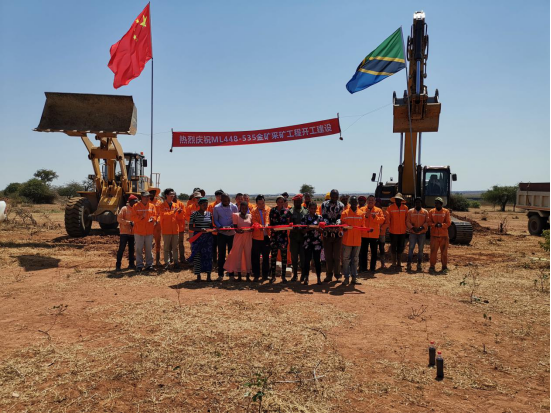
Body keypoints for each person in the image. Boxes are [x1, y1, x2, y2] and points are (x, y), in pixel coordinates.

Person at [224, 202, 253, 281]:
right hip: (238, 237)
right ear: (240, 208)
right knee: (238, 255)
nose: (244, 209)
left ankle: (248, 275)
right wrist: (239, 231)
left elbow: (252, 226)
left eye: (246, 208)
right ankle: (239, 275)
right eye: (242, 208)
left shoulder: (250, 216)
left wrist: (251, 229)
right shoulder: (236, 215)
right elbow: (235, 227)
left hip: (248, 237)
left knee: (248, 255)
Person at [188, 197, 215, 282]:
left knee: (208, 256)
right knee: (197, 256)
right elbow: (190, 227)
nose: (205, 206)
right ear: (199, 205)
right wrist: (200, 229)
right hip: (198, 238)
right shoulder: (194, 214)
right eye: (203, 205)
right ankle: (198, 276)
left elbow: (211, 226)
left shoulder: (209, 214)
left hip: (208, 238)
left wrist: (213, 229)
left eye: (206, 204)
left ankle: (208, 276)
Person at [321, 189, 345, 283]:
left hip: (337, 234)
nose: (334, 198)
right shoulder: (324, 204)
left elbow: (340, 217)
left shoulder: (341, 205)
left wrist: (336, 225)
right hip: (327, 234)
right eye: (333, 196)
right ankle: (329, 275)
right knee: (328, 256)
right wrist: (329, 226)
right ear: (330, 196)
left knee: (337, 256)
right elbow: (324, 217)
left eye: (336, 196)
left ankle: (338, 275)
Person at [213, 193, 238, 280]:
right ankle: (220, 274)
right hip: (222, 234)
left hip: (232, 234)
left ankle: (231, 274)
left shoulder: (234, 207)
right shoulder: (216, 208)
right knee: (221, 254)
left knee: (231, 254)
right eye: (224, 201)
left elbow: (236, 219)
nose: (226, 202)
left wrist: (231, 226)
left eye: (228, 200)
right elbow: (215, 220)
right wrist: (221, 227)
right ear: (221, 200)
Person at [341, 196, 365, 285]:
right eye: (352, 201)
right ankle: (346, 278)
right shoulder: (345, 213)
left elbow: (363, 226)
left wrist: (367, 229)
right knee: (346, 259)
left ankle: (354, 278)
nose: (354, 203)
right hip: (347, 240)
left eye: (355, 201)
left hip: (357, 241)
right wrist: (344, 228)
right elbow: (341, 225)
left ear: (357, 202)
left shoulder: (361, 213)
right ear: (350, 202)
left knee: (355, 259)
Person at [132, 191, 158, 272]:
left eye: (148, 197)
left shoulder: (152, 206)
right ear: (141, 197)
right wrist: (141, 217)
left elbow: (155, 216)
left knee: (148, 249)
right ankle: (139, 265)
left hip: (149, 231)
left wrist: (153, 219)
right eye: (146, 197)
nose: (147, 198)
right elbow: (133, 217)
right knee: (138, 249)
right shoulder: (136, 206)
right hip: (139, 231)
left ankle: (149, 265)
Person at [359, 195, 386, 274]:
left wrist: (375, 218)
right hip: (364, 234)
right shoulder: (362, 209)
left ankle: (372, 268)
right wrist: (366, 217)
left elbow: (382, 220)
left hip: (374, 235)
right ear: (367, 201)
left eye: (372, 200)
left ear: (375, 202)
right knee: (363, 252)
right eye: (369, 200)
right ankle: (363, 268)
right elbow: (359, 220)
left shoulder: (378, 210)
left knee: (374, 252)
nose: (370, 201)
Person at [159, 189, 184, 270]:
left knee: (175, 247)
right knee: (166, 248)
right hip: (166, 229)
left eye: (173, 194)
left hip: (175, 229)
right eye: (171, 194)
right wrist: (173, 212)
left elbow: (179, 218)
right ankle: (167, 263)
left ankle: (176, 262)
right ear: (166, 195)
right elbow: (163, 215)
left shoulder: (176, 205)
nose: (173, 196)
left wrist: (180, 213)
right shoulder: (162, 205)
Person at [269, 196, 292, 283]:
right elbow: (270, 222)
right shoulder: (272, 210)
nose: (280, 203)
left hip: (283, 237)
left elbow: (289, 223)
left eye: (282, 202)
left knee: (284, 257)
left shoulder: (287, 211)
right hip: (274, 237)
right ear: (276, 202)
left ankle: (283, 277)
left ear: (284, 202)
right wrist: (271, 228)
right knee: (273, 257)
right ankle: (273, 276)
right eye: (279, 201)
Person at [301, 202, 324, 285]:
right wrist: (308, 228)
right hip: (307, 242)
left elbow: (323, 230)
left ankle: (318, 278)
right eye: (311, 208)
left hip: (317, 242)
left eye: (314, 208)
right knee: (307, 261)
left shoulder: (320, 218)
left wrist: (318, 228)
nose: (313, 210)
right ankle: (306, 277)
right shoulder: (304, 217)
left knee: (317, 261)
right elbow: (302, 231)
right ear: (308, 208)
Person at [428, 197, 452, 274]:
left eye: (437, 203)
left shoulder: (446, 212)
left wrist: (441, 225)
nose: (436, 204)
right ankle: (432, 267)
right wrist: (434, 225)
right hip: (434, 235)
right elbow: (429, 222)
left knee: (444, 252)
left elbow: (448, 223)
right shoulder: (431, 211)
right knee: (433, 252)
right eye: (435, 203)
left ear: (441, 204)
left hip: (444, 236)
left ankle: (444, 267)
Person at [386, 193, 409, 272]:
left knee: (401, 247)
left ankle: (399, 262)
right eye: (396, 199)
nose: (398, 200)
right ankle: (393, 262)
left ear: (401, 200)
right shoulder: (390, 208)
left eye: (399, 199)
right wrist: (387, 227)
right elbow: (388, 219)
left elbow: (407, 219)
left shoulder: (405, 208)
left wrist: (407, 228)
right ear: (395, 200)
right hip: (393, 231)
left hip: (402, 231)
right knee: (393, 247)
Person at [251, 195, 271, 281]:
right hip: (256, 238)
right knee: (256, 257)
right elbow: (254, 221)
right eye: (259, 203)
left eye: (263, 203)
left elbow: (268, 218)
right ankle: (256, 275)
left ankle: (265, 275)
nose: (261, 205)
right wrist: (260, 226)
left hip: (266, 237)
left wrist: (266, 224)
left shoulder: (268, 209)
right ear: (256, 204)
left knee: (266, 257)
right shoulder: (253, 211)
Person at [116, 195, 138, 271]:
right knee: (121, 249)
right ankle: (118, 265)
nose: (136, 203)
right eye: (135, 201)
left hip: (133, 233)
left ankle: (131, 264)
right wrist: (128, 223)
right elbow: (119, 219)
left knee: (131, 249)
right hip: (124, 233)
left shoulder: (136, 209)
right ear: (130, 201)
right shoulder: (124, 209)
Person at [407, 197, 429, 272]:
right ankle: (409, 264)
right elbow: (407, 221)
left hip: (422, 233)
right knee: (411, 249)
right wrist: (412, 228)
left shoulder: (425, 212)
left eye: (419, 202)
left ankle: (419, 264)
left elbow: (427, 222)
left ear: (421, 203)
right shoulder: (410, 211)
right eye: (416, 202)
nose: (418, 204)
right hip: (413, 233)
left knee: (420, 249)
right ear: (414, 203)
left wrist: (422, 227)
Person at [289, 194, 308, 282]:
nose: (296, 203)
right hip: (294, 238)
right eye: (295, 201)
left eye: (297, 201)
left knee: (303, 257)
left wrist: (305, 229)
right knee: (294, 258)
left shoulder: (306, 211)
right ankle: (295, 275)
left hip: (303, 238)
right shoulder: (290, 211)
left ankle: (303, 275)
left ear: (301, 201)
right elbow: (289, 224)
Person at [150, 192, 164, 267]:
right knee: (147, 243)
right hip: (149, 225)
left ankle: (157, 261)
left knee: (158, 243)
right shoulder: (146, 202)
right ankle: (149, 261)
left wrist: (157, 220)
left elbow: (161, 213)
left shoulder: (159, 203)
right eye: (150, 192)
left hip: (157, 226)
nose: (151, 194)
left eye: (153, 192)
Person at [377, 198, 389, 269]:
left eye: (378, 203)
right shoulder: (373, 212)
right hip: (373, 234)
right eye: (376, 203)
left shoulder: (385, 213)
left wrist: (381, 228)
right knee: (374, 249)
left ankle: (383, 263)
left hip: (382, 234)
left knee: (382, 248)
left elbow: (387, 223)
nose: (377, 204)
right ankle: (373, 264)